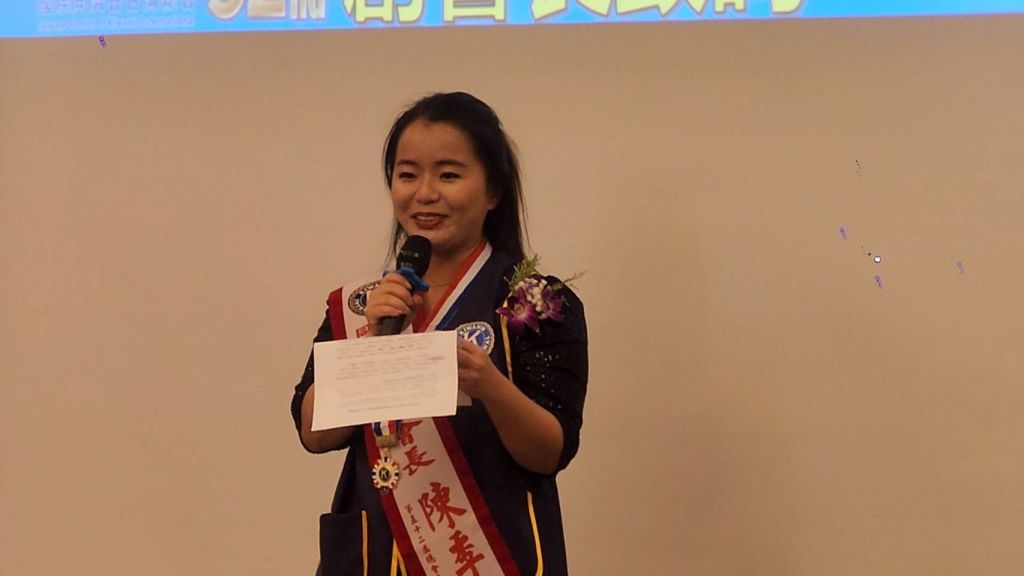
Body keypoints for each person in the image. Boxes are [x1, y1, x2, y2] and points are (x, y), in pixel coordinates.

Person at [290, 92, 588, 576]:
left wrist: (491, 387)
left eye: (448, 175)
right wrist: (371, 347)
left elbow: (551, 450)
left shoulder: (534, 302)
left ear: (493, 191)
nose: (424, 193)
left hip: (490, 552)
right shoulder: (361, 306)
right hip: (372, 553)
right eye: (408, 175)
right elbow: (313, 433)